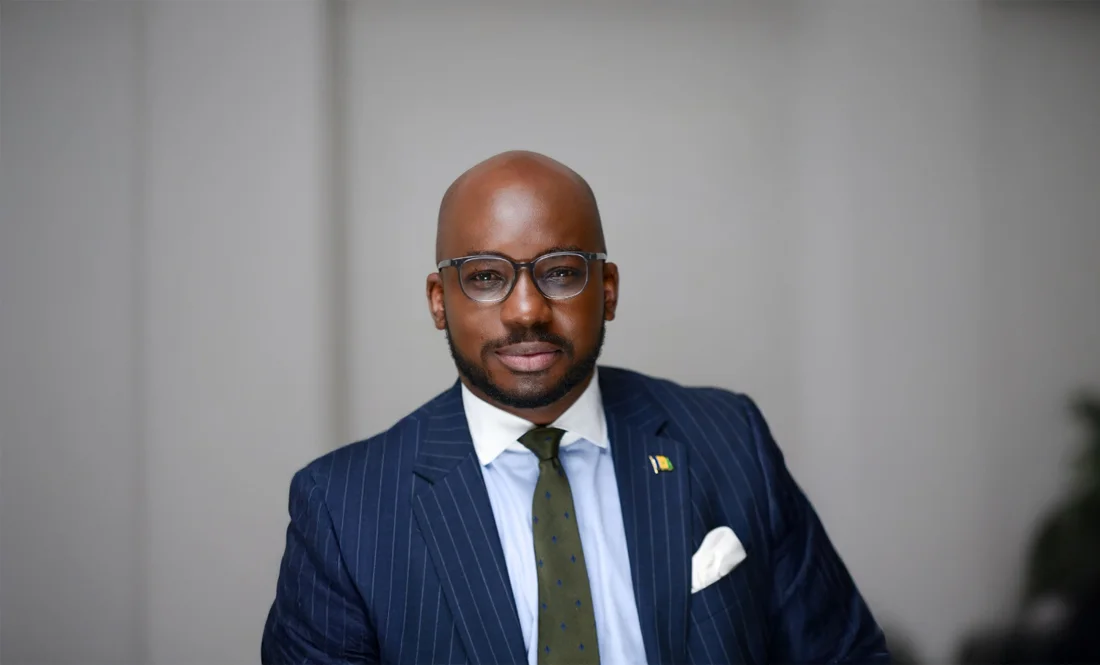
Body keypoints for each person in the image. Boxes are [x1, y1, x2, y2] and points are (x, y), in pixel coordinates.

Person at [261, 151, 890, 665]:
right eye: (485, 277)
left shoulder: (729, 439)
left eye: (561, 273)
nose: (526, 310)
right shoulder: (344, 510)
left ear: (607, 290)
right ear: (438, 301)